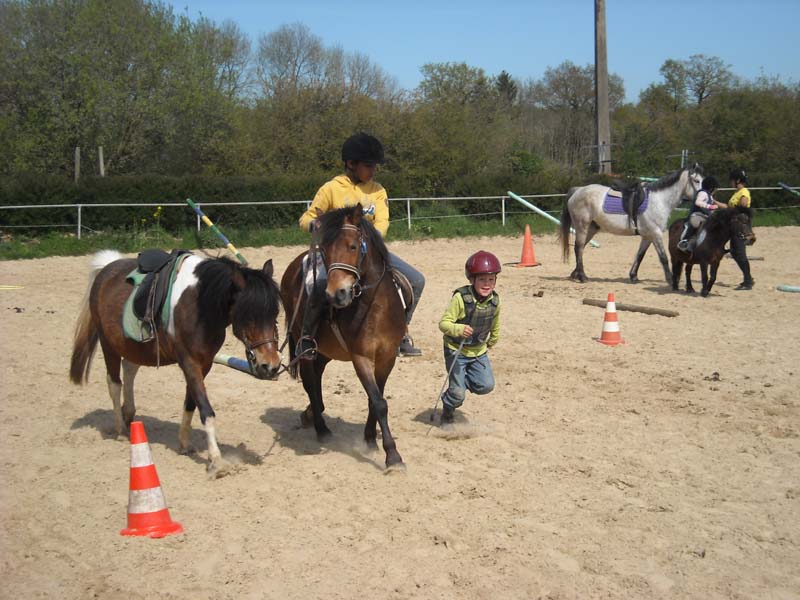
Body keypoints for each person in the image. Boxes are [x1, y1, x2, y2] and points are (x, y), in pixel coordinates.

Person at [297, 132, 425, 358]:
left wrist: (371, 240)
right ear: (351, 164)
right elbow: (306, 218)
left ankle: (401, 331)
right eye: (368, 165)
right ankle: (307, 337)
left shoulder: (378, 190)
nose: (373, 170)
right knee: (318, 284)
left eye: (374, 165)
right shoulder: (331, 189)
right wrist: (315, 225)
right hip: (337, 254)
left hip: (370, 253)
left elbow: (383, 221)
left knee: (416, 281)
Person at [437, 250, 501, 424]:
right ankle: (448, 408)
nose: (487, 284)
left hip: (479, 351)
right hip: (456, 350)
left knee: (486, 386)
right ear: (472, 280)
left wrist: (494, 339)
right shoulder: (460, 298)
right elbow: (443, 323)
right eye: (482, 279)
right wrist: (458, 329)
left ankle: (458, 385)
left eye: (491, 279)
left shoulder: (495, 300)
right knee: (457, 395)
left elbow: (495, 321)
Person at [726, 168, 754, 290]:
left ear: (737, 180)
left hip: (740, 227)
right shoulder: (736, 193)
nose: (730, 183)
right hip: (734, 226)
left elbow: (743, 205)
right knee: (734, 251)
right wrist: (715, 202)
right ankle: (748, 278)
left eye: (732, 180)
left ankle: (748, 281)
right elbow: (729, 206)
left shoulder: (744, 192)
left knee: (740, 253)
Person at [678, 176, 723, 252]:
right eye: (715, 188)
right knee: (695, 223)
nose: (716, 190)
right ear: (711, 187)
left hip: (706, 216)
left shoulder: (710, 196)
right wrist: (710, 206)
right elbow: (698, 202)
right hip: (697, 214)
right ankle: (685, 241)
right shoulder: (703, 193)